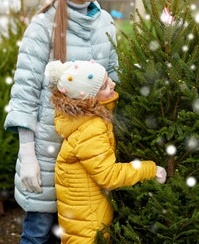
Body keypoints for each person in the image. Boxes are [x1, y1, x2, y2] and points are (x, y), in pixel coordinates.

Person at [4, 0, 119, 244]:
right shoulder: (42, 28)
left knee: (75, 233)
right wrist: (28, 154)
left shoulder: (105, 22)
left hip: (89, 152)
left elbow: (115, 80)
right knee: (39, 232)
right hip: (47, 150)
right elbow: (25, 93)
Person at [45, 59, 167, 243]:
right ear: (90, 99)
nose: (113, 84)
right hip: (89, 226)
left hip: (83, 218)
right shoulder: (91, 128)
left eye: (108, 79)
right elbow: (108, 176)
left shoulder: (83, 119)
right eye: (104, 85)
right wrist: (150, 169)